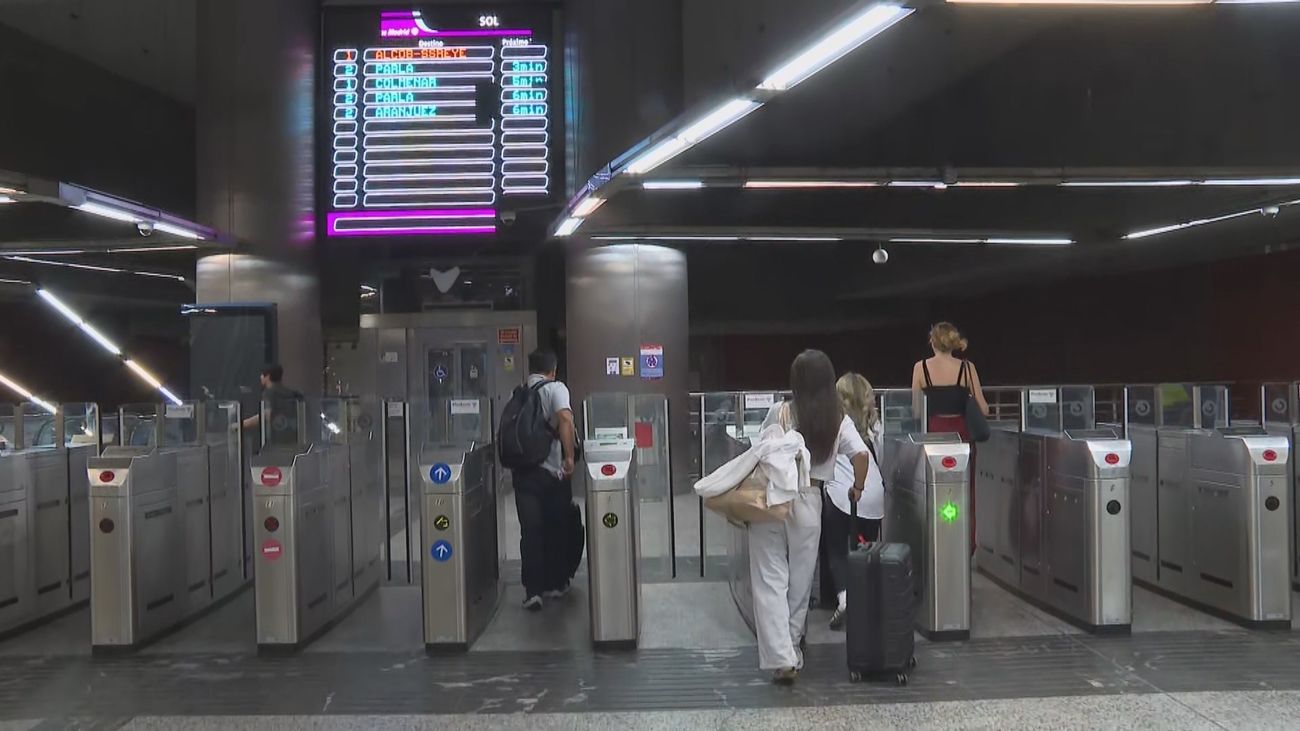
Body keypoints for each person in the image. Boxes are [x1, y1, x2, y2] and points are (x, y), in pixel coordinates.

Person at [755, 350, 871, 685]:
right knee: (801, 581)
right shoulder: (838, 419)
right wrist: (857, 488)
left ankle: (781, 657)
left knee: (770, 576)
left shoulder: (780, 412)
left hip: (773, 498)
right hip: (809, 499)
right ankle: (791, 646)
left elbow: (761, 450)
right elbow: (860, 454)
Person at [911, 323, 989, 554]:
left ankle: (936, 542)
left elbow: (916, 410)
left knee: (932, 489)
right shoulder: (967, 368)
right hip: (961, 435)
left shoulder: (921, 368)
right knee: (966, 490)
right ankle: (965, 545)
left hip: (933, 434)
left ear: (932, 342)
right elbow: (983, 408)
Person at [512, 349, 577, 611]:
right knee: (556, 527)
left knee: (530, 532)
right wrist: (570, 457)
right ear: (553, 369)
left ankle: (533, 591)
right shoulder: (555, 388)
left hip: (523, 473)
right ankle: (554, 583)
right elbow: (565, 418)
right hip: (551, 473)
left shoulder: (518, 393)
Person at [822, 373, 886, 631]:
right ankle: (869, 602)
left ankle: (844, 598)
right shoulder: (875, 425)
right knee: (866, 550)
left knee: (837, 549)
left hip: (844, 495)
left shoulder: (835, 424)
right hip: (875, 497)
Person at [240, 364, 304, 436]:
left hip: (276, 439)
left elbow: (266, 414)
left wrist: (241, 424)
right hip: (294, 437)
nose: (260, 377)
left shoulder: (269, 393)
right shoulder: (294, 394)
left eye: (262, 374)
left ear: (267, 376)